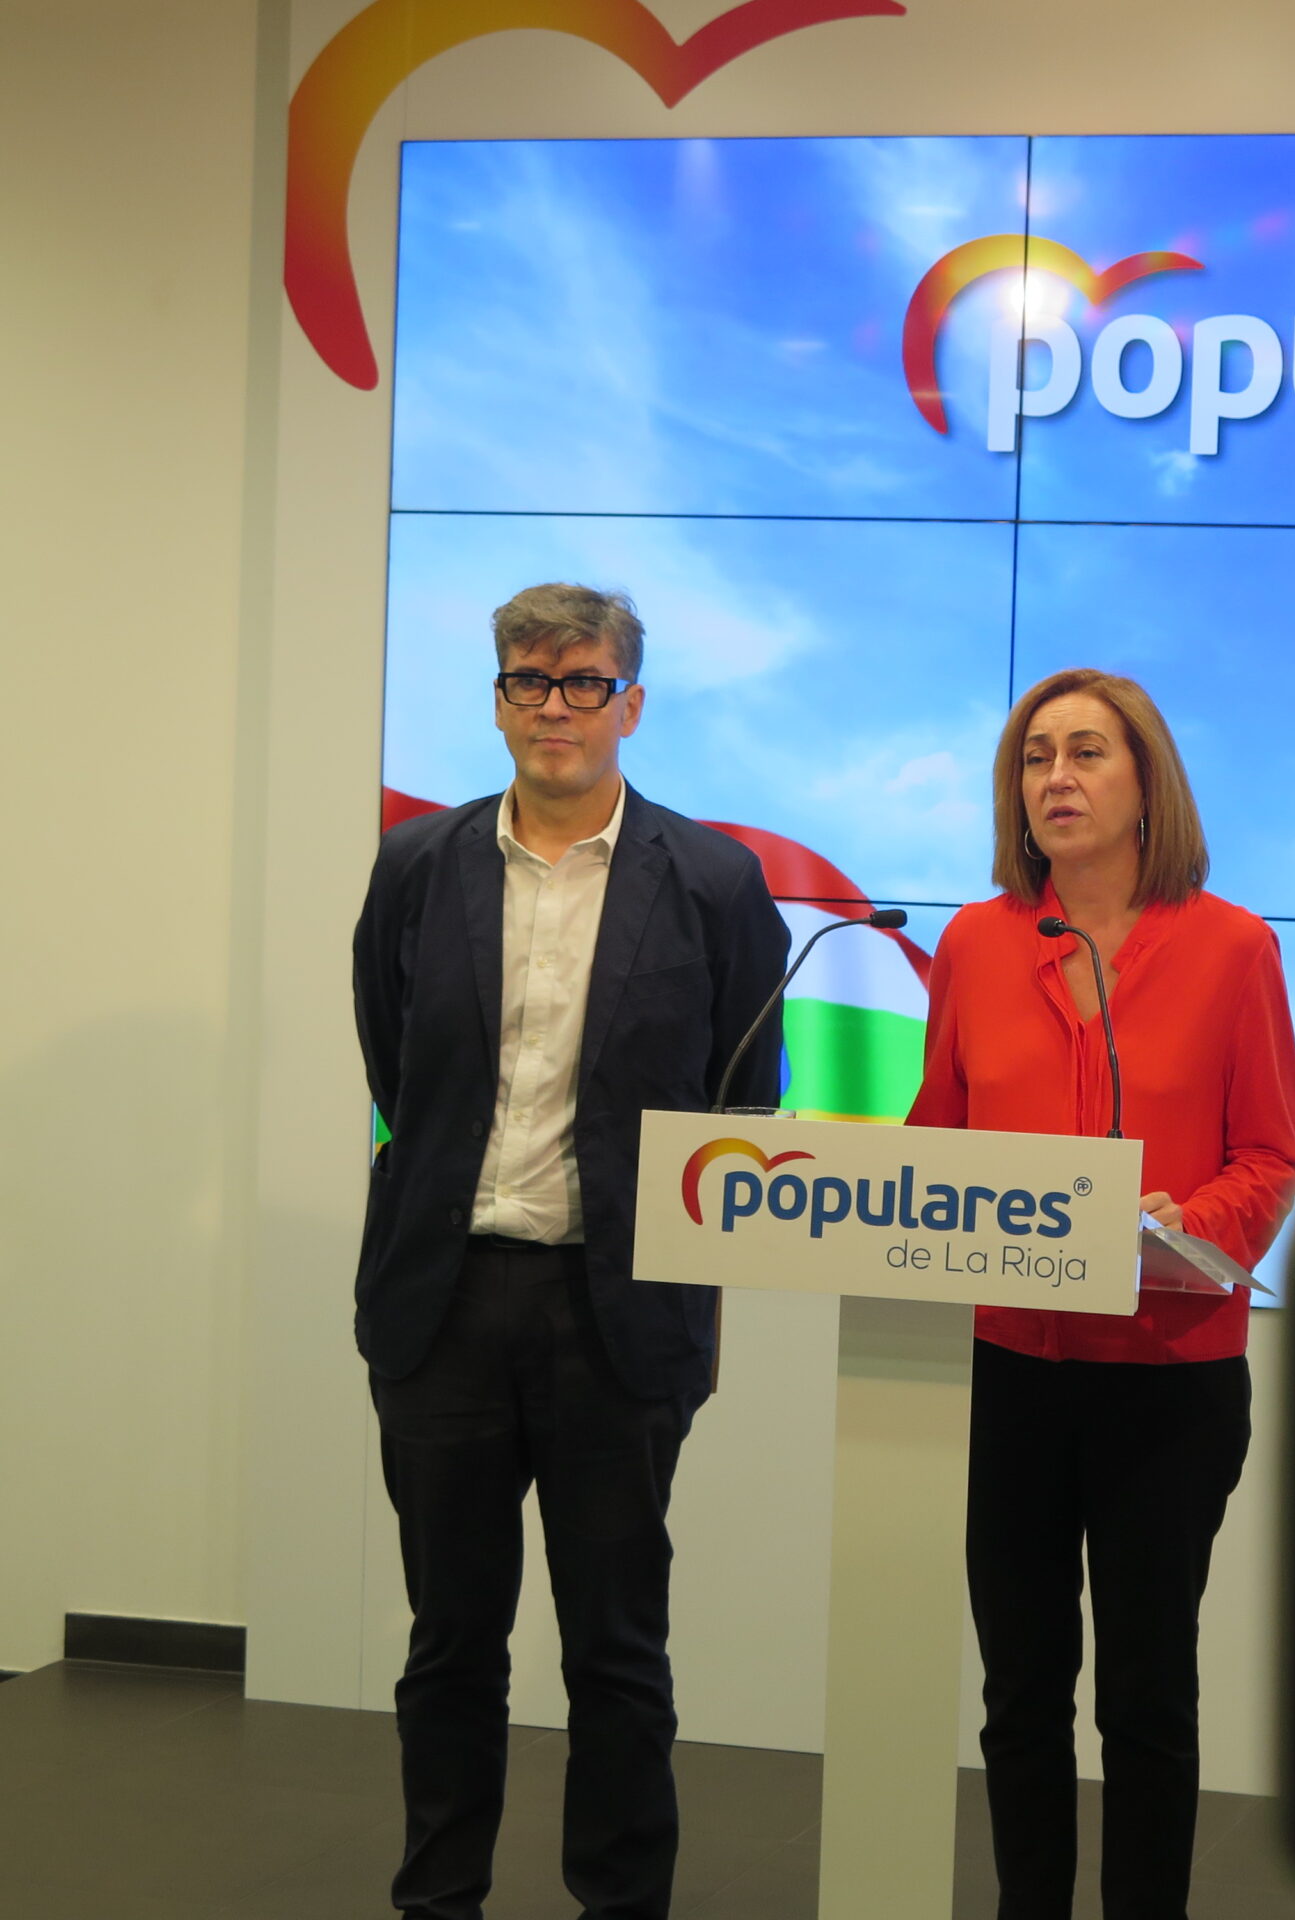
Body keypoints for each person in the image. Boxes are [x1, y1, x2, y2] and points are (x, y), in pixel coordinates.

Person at [351, 584, 788, 1920]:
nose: (556, 705)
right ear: (497, 702)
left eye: (584, 681)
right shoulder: (416, 865)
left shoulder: (712, 882)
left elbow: (743, 1104)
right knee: (448, 1646)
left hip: (620, 1317)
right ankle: (439, 1900)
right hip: (443, 1308)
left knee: (616, 1653)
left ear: (630, 704)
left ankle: (621, 1903)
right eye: (529, 681)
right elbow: (396, 1065)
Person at [909, 667, 1295, 1920]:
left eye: (1087, 752)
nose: (1058, 778)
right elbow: (934, 1141)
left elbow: (1270, 1156)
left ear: (1147, 784)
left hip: (1168, 1376)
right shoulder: (976, 943)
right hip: (1014, 1369)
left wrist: (1196, 1225)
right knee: (1019, 1693)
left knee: (1145, 1697)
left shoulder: (1234, 946)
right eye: (1036, 758)